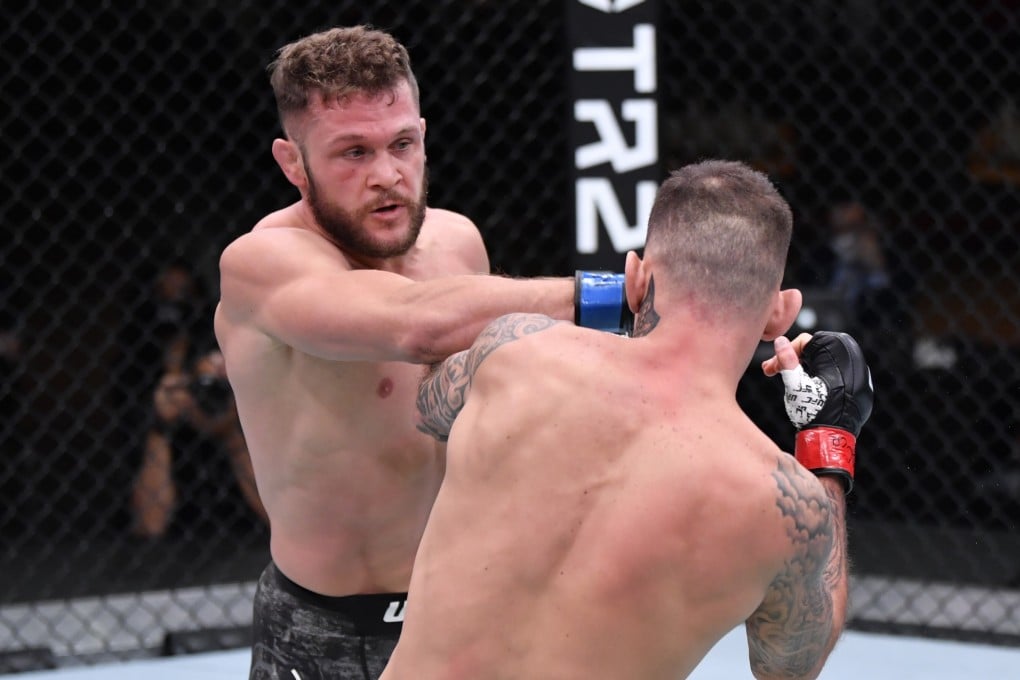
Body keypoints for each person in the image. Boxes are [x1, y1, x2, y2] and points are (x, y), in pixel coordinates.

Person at [213, 25, 631, 680]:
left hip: (465, 611)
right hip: (327, 630)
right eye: (352, 152)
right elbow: (414, 326)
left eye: (401, 144)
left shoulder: (458, 244)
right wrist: (626, 295)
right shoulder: (262, 264)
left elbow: (479, 403)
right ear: (293, 164)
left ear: (423, 137)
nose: (387, 175)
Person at [383, 160, 874, 680]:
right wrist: (829, 436)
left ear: (636, 277)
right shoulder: (782, 503)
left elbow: (428, 407)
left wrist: (597, 310)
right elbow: (793, 665)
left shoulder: (513, 354)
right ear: (781, 313)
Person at [130, 345, 267, 539]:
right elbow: (150, 525)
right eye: (206, 386)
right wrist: (161, 426)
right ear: (188, 387)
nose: (215, 397)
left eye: (225, 388)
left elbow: (276, 520)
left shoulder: (259, 428)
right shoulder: (170, 431)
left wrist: (231, 434)